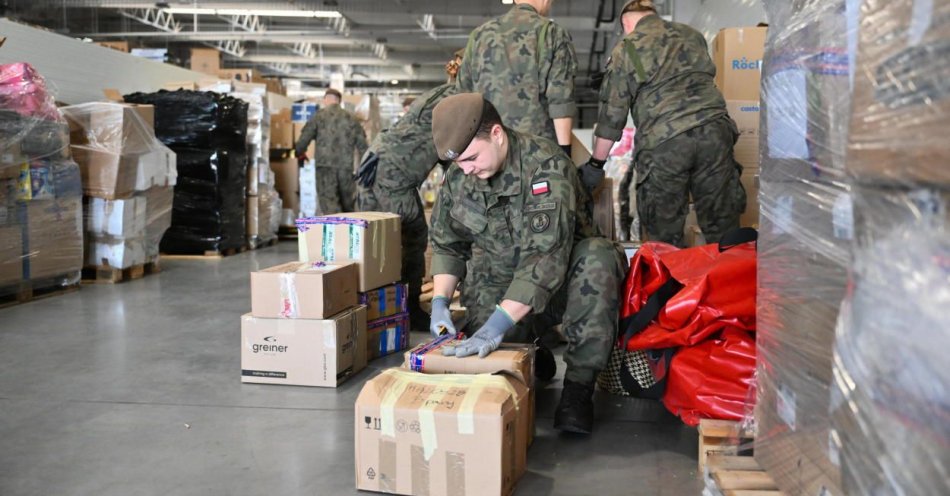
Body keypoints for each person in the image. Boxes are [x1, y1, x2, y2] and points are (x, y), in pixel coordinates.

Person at [427, 93, 627, 434]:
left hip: (565, 283)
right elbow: (449, 242)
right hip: (501, 283)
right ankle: (533, 353)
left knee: (598, 258)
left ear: (497, 134)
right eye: (458, 163)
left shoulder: (545, 166)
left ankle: (578, 388)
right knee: (481, 360)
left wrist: (497, 326)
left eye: (471, 158)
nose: (467, 170)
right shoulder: (462, 175)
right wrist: (440, 302)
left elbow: (544, 258)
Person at [580, 0, 746, 246]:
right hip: (715, 132)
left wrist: (596, 164)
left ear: (626, 23)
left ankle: (671, 283)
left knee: (664, 236)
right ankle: (729, 281)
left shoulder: (628, 46)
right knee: (723, 226)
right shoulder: (692, 35)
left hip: (665, 142)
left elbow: (612, 118)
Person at [354, 52, 463, 333]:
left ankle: (364, 307)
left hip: (375, 160)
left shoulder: (441, 92)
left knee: (370, 238)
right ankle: (410, 309)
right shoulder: (459, 99)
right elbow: (454, 150)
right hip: (394, 173)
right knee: (412, 237)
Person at [457, 0, 577, 155]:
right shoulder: (552, 33)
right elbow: (561, 102)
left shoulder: (479, 35)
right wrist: (565, 153)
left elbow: (462, 99)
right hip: (535, 154)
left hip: (489, 153)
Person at [294, 88, 368, 214]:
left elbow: (303, 140)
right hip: (346, 168)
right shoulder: (351, 118)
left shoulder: (319, 116)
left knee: (329, 204)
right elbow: (363, 147)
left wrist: (299, 153)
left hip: (325, 168)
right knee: (348, 205)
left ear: (326, 99)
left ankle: (336, 232)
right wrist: (364, 169)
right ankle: (348, 231)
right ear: (339, 101)